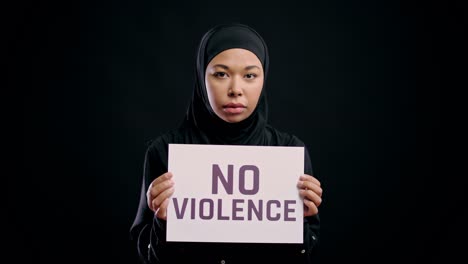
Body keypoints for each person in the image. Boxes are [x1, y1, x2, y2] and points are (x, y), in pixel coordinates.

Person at [130, 23, 323, 264]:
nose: (235, 90)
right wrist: (162, 222)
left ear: (264, 79)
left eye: (250, 75)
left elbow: (305, 257)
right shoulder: (165, 151)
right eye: (221, 74)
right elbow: (147, 257)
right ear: (202, 77)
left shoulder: (290, 152)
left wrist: (299, 225)